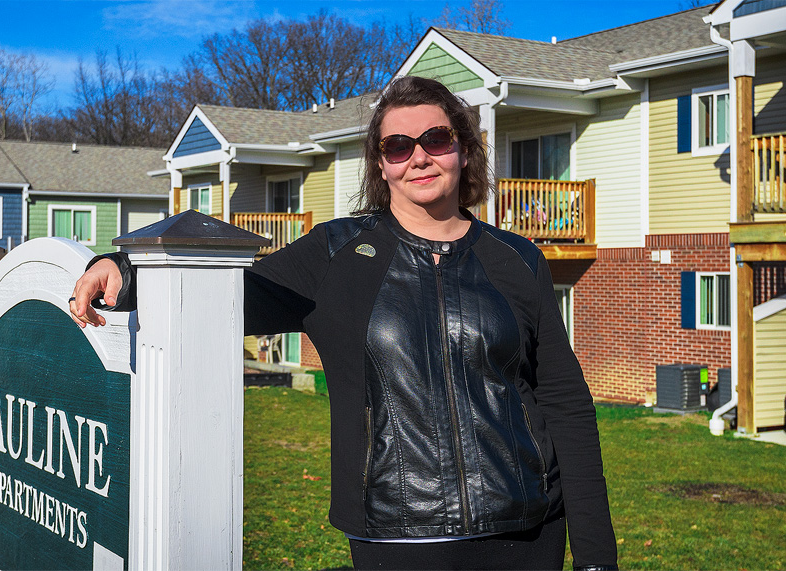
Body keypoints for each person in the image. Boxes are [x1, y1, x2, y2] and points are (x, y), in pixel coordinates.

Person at [70, 76, 616, 571]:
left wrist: (595, 557)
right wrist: (123, 270)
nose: (419, 158)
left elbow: (564, 403)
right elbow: (220, 297)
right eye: (398, 147)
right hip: (397, 540)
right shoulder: (335, 254)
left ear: (464, 151)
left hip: (527, 533)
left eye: (436, 139)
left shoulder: (517, 258)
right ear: (381, 164)